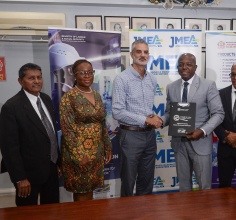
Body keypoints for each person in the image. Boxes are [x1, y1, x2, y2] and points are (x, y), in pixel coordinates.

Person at [0, 63, 60, 206]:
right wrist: (20, 178)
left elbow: (50, 133)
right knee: (27, 214)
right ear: (21, 81)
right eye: (31, 78)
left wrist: (58, 162)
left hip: (51, 170)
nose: (37, 81)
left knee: (52, 211)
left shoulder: (46, 99)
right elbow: (9, 148)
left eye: (39, 77)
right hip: (28, 176)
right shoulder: (11, 107)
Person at [164, 53, 224, 191]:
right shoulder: (171, 87)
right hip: (179, 144)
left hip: (200, 143)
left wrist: (202, 131)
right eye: (181, 64)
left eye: (188, 64)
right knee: (184, 187)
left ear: (195, 67)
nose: (184, 67)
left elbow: (218, 113)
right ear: (177, 67)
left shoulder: (208, 85)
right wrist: (159, 121)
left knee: (204, 187)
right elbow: (169, 113)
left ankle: (204, 213)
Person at [112, 39, 162, 197]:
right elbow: (117, 112)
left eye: (146, 52)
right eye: (139, 52)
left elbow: (145, 108)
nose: (143, 55)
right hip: (130, 136)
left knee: (147, 180)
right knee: (128, 181)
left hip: (149, 136)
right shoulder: (122, 79)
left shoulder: (152, 79)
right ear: (132, 54)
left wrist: (153, 116)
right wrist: (147, 119)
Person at [59, 59, 112, 201]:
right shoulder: (69, 98)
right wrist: (79, 155)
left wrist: (107, 146)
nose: (87, 76)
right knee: (81, 191)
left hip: (97, 150)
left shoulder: (96, 95)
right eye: (82, 73)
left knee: (91, 188)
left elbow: (102, 123)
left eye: (90, 72)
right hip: (78, 153)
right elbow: (68, 129)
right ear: (75, 75)